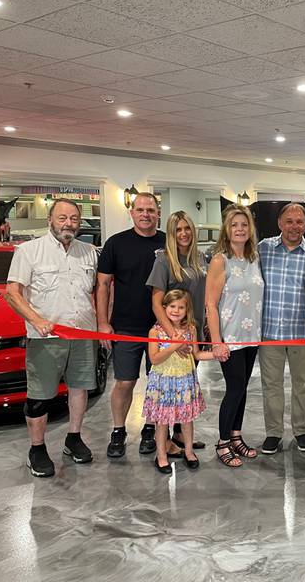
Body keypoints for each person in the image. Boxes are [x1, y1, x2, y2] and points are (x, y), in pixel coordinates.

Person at [5, 199, 98, 477]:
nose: (68, 223)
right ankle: (37, 448)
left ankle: (74, 438)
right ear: (50, 220)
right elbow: (12, 292)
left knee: (79, 388)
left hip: (82, 335)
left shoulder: (90, 253)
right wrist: (36, 320)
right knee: (40, 396)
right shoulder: (29, 251)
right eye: (62, 218)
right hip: (45, 339)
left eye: (73, 218)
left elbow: (99, 291)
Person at [98, 192, 166, 458]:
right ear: (132, 212)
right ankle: (118, 431)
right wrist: (103, 323)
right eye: (140, 210)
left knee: (156, 383)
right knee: (125, 382)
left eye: (150, 210)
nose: (145, 214)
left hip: (160, 328)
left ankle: (150, 428)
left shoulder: (167, 242)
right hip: (125, 326)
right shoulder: (116, 243)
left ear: (158, 213)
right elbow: (103, 285)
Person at [258, 203, 305, 454]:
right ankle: (273, 433)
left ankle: (300, 430)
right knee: (271, 385)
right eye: (289, 221)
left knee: (302, 384)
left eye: (299, 222)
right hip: (270, 331)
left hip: (301, 331)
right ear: (279, 223)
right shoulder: (263, 248)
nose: (294, 226)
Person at [206, 204, 264, 468]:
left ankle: (236, 435)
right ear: (226, 230)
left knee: (242, 388)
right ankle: (221, 442)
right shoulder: (221, 260)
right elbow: (210, 304)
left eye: (244, 224)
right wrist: (217, 341)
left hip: (252, 335)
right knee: (235, 388)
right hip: (231, 336)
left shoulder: (254, 258)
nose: (240, 229)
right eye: (234, 225)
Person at [146, 211, 208, 453]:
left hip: (193, 331)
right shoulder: (163, 260)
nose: (183, 234)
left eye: (187, 228)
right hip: (172, 336)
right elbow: (156, 301)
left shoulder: (201, 258)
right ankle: (165, 442)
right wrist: (175, 336)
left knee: (185, 387)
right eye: (178, 230)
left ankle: (181, 436)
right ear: (171, 234)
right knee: (169, 391)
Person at [143, 290, 212, 474]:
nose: (176, 310)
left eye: (181, 307)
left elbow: (196, 354)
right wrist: (174, 346)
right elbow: (154, 358)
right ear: (164, 308)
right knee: (162, 421)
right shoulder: (155, 331)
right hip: (163, 382)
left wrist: (215, 354)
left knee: (187, 419)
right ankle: (162, 456)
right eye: (172, 306)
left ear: (187, 309)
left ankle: (189, 452)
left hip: (184, 381)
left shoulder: (190, 329)